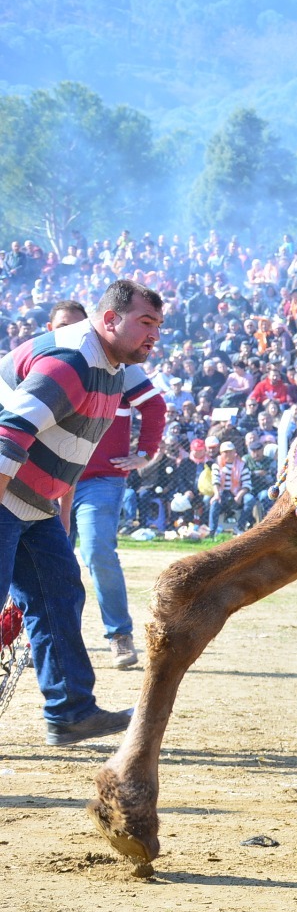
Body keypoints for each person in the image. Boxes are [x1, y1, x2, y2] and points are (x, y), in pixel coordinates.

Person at [0, 279, 164, 744]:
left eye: (158, 326)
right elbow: (10, 432)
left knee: (58, 595)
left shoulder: (111, 365)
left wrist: (59, 512)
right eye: (145, 323)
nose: (154, 335)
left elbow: (72, 448)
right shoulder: (73, 360)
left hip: (31, 501)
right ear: (109, 319)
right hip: (5, 491)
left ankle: (70, 712)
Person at [47, 301, 166, 669]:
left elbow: (155, 407)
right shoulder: (45, 364)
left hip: (99, 481)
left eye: (76, 325)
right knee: (47, 560)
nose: (70, 332)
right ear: (50, 328)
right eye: (62, 326)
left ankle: (119, 636)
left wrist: (144, 454)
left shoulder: (120, 369)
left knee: (97, 551)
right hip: (52, 481)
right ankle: (46, 639)